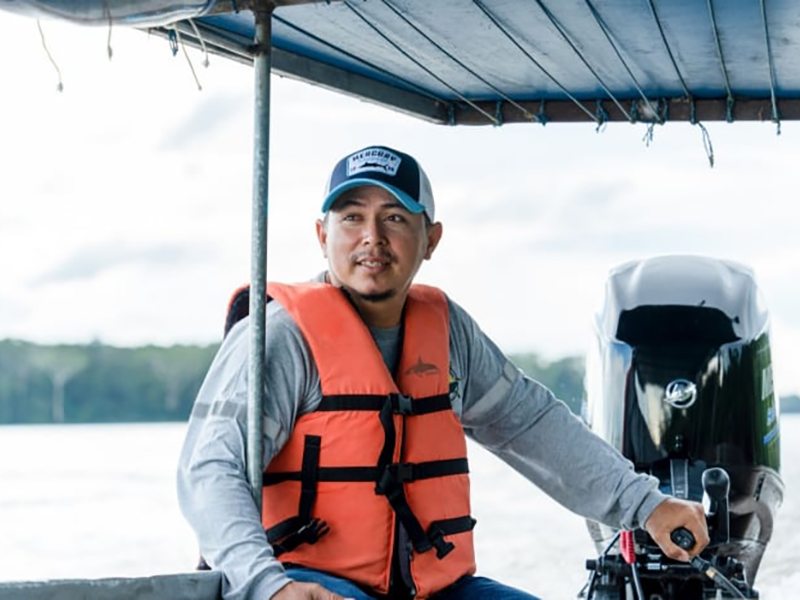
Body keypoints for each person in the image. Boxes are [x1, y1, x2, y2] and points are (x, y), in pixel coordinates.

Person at [177, 145, 709, 600]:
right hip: (308, 583)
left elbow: (530, 425)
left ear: (430, 239)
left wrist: (646, 504)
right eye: (352, 217)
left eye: (394, 218)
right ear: (322, 234)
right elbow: (209, 470)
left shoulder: (448, 332)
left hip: (434, 588)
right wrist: (267, 584)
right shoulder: (279, 338)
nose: (371, 238)